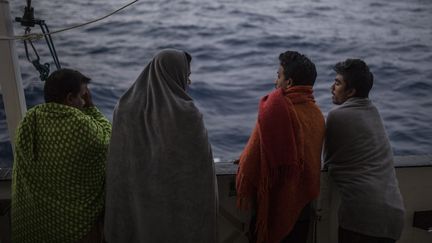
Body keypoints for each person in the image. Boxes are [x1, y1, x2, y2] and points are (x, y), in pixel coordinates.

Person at [104, 49, 217, 243]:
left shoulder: (123, 107)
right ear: (174, 75)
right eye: (186, 76)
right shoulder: (187, 114)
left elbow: (118, 165)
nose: (188, 82)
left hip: (133, 211)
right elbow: (200, 172)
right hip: (176, 218)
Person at [11, 69, 112, 242]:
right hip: (73, 228)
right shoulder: (80, 124)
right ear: (70, 98)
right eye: (82, 96)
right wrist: (92, 108)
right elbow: (109, 139)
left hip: (32, 225)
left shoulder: (29, 119)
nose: (83, 100)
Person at [236, 51, 325, 243]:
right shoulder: (317, 114)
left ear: (290, 83)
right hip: (303, 208)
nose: (276, 82)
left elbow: (251, 160)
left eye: (278, 76)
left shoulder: (274, 110)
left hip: (273, 205)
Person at [324, 59, 405, 243]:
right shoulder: (373, 111)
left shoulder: (337, 116)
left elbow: (328, 163)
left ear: (351, 92)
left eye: (337, 83)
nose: (331, 87)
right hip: (393, 215)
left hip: (362, 217)